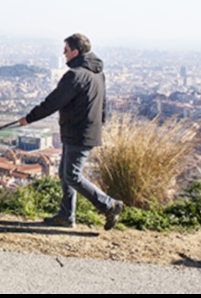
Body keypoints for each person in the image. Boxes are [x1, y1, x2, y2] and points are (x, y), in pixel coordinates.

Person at [18, 33, 123, 230]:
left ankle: (109, 205)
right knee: (64, 174)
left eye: (66, 50)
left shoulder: (75, 75)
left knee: (72, 175)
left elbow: (53, 102)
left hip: (78, 131)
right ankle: (66, 216)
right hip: (85, 130)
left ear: (76, 52)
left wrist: (29, 118)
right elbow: (102, 104)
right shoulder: (97, 73)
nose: (63, 54)